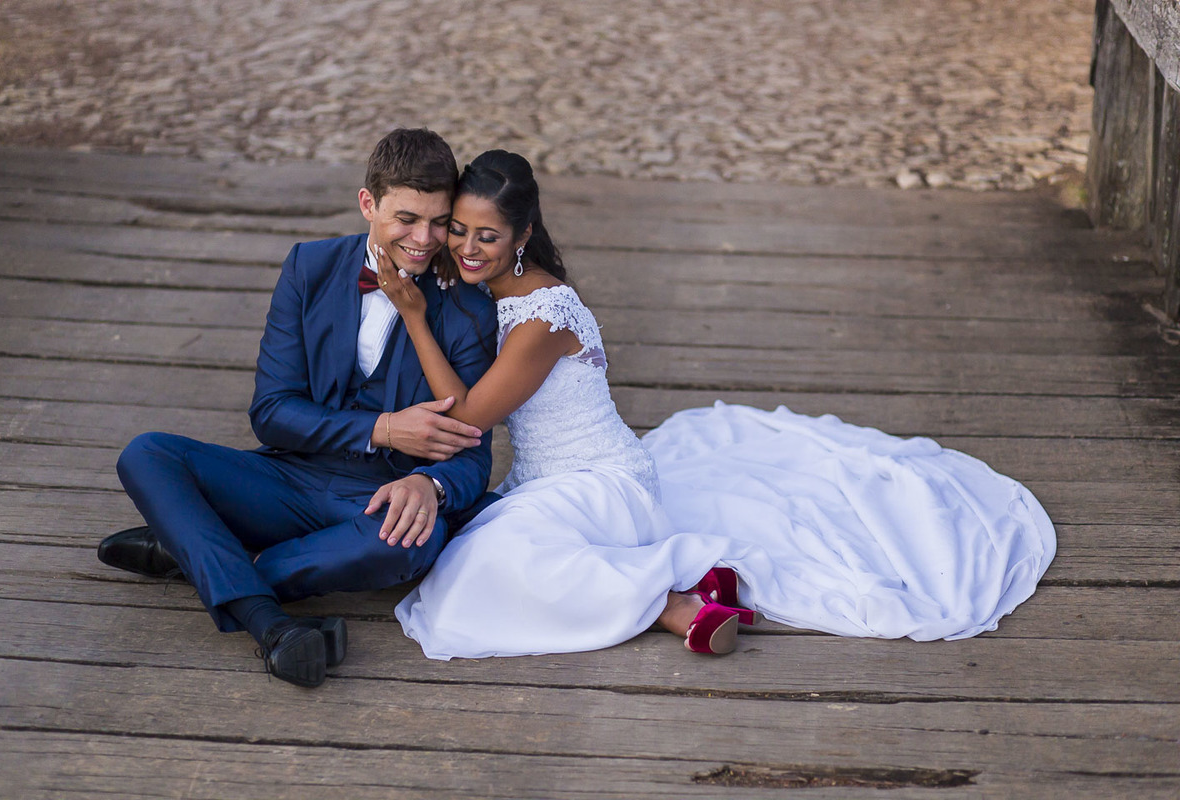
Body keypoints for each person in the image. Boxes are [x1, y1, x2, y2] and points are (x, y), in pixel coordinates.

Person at [375, 149, 1057, 661]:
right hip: (549, 477)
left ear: (522, 236)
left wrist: (411, 314)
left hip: (601, 483)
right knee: (474, 554)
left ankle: (675, 603)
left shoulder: (542, 317)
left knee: (477, 571)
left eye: (485, 236)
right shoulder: (486, 282)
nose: (465, 247)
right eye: (457, 230)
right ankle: (701, 577)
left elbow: (463, 420)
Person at [97, 128, 499, 687]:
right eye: (406, 218)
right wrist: (382, 428)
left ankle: (200, 556)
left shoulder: (470, 309)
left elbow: (474, 455)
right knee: (148, 454)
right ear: (368, 203)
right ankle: (253, 602)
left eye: (438, 221)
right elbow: (272, 411)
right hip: (287, 477)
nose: (425, 238)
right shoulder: (309, 268)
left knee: (417, 540)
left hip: (378, 505)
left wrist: (428, 487)